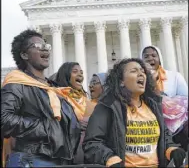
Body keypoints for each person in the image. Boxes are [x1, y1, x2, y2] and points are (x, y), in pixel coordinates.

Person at [83, 58, 186, 168]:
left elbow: (165, 138)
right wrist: (109, 158)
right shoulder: (107, 106)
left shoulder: (154, 106)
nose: (141, 74)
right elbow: (92, 143)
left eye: (142, 71)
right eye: (134, 71)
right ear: (121, 81)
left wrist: (172, 150)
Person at [1, 29, 80, 167]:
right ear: (24, 55)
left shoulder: (54, 88)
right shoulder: (16, 83)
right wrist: (45, 128)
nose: (45, 50)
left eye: (46, 46)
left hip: (58, 161)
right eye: (38, 46)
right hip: (31, 160)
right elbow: (4, 119)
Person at [141, 45, 188, 151]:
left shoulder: (175, 76)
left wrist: (166, 101)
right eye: (146, 56)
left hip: (177, 125)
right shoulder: (139, 79)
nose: (150, 58)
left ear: (160, 58)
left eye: (154, 55)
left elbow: (185, 99)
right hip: (150, 125)